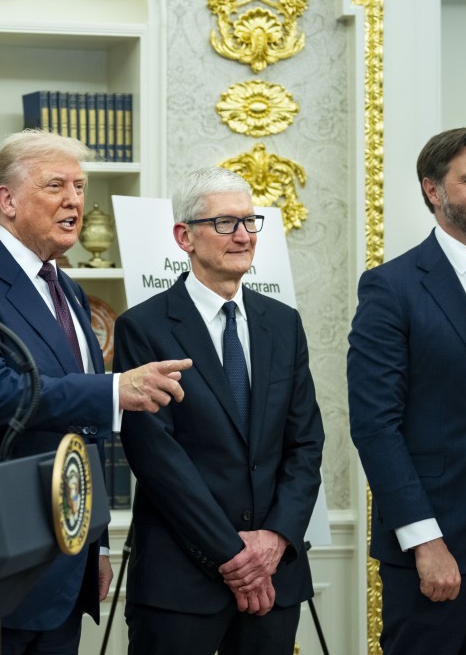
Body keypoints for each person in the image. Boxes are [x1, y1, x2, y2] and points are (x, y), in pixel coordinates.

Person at [0, 130, 191, 655]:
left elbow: (79, 435)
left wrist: (98, 541)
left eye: (81, 188)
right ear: (7, 199)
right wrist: (113, 389)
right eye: (56, 186)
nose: (74, 201)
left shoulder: (66, 286)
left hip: (69, 551)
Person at [112, 167, 324, 655]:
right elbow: (156, 458)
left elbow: (305, 443)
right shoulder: (143, 328)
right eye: (226, 223)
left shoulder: (283, 324)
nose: (244, 235)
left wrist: (273, 540)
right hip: (181, 584)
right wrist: (233, 556)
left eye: (250, 221)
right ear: (184, 236)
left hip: (276, 577)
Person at [348, 126, 466, 654]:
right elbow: (375, 426)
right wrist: (425, 541)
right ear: (433, 191)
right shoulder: (391, 288)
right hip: (439, 552)